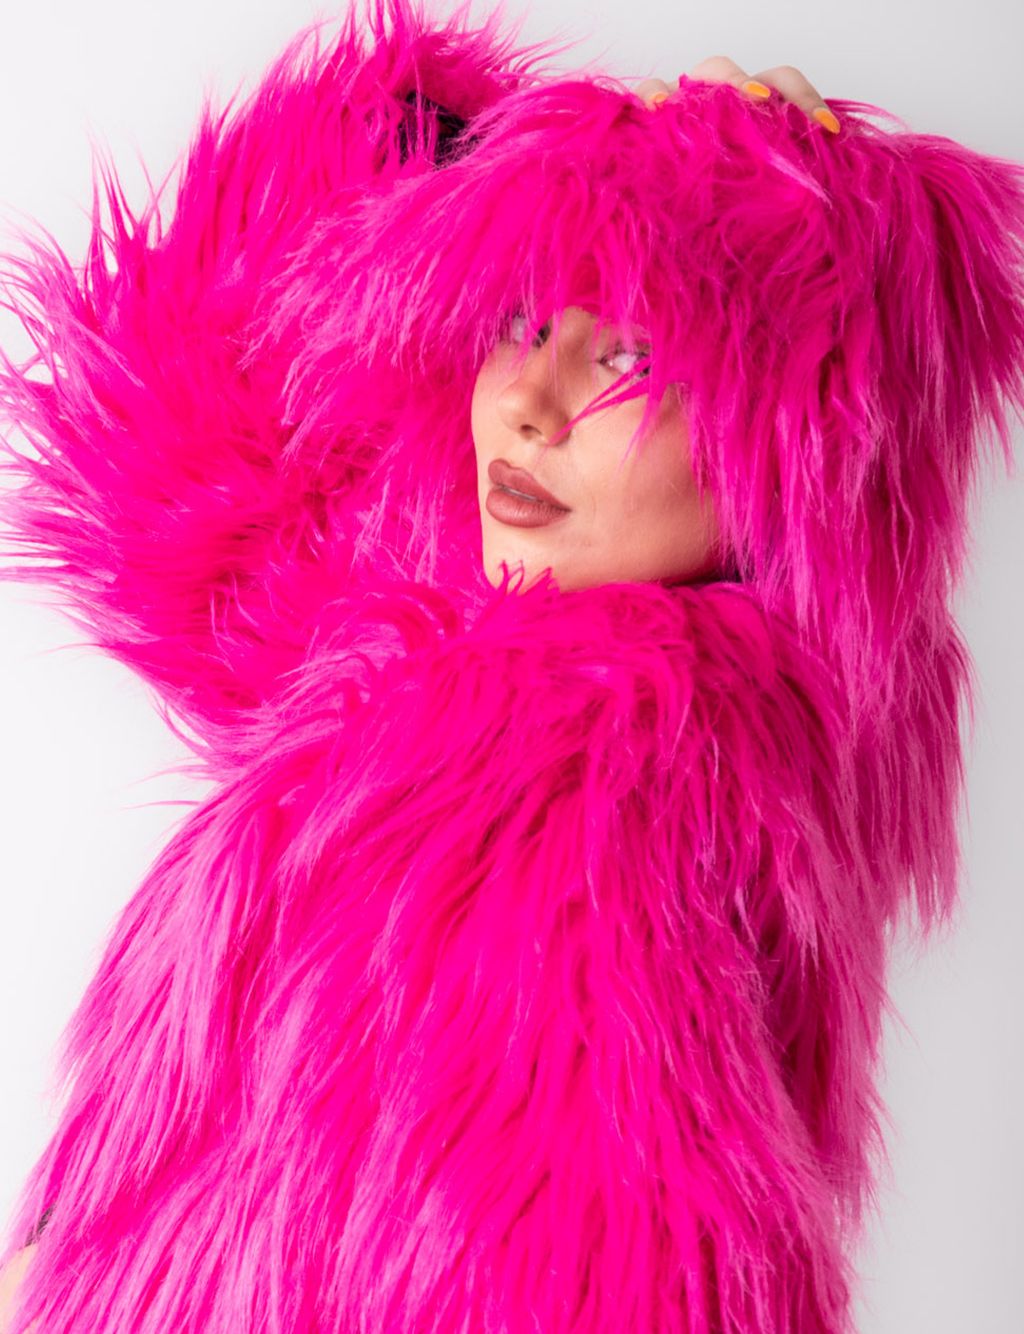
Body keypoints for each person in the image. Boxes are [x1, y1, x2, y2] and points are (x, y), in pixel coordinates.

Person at [1, 0, 1022, 1329]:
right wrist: (417, 144)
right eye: (523, 321)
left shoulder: (605, 773)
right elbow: (185, 492)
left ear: (793, 449)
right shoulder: (434, 681)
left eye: (631, 356)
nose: (531, 404)